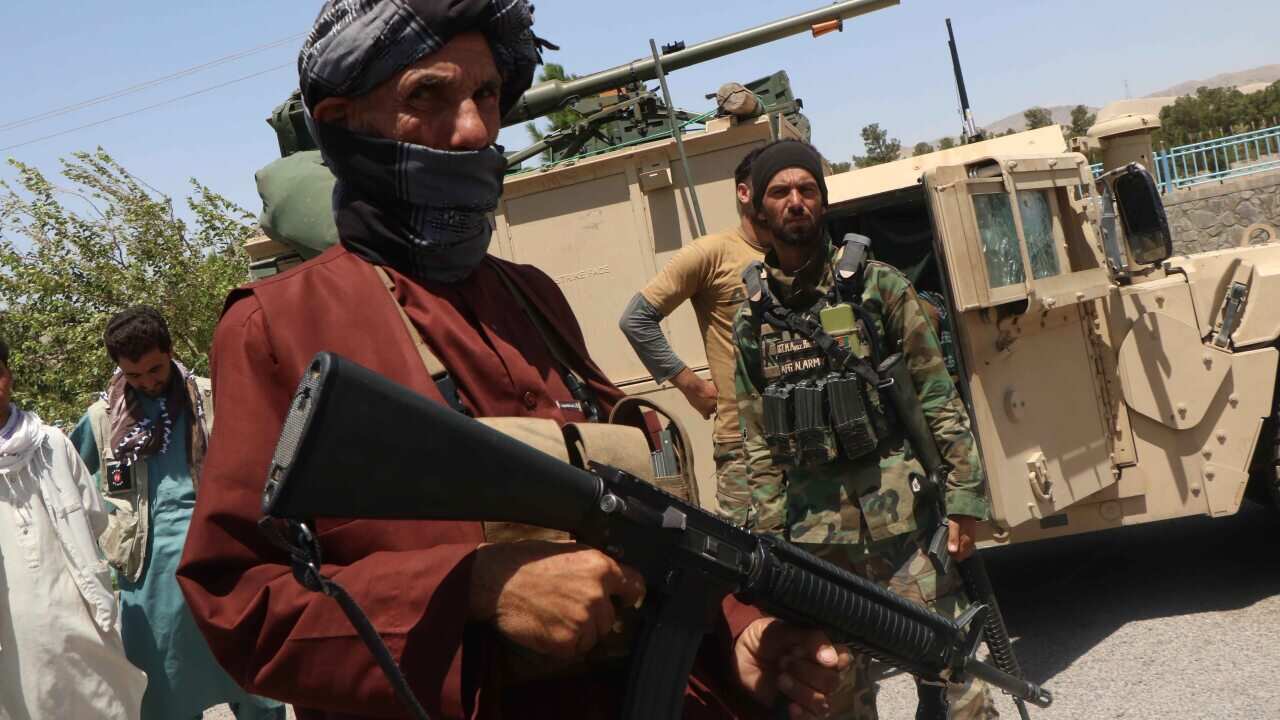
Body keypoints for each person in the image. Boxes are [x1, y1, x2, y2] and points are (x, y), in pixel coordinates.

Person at [176, 2, 849, 719]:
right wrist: (474, 588)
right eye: (428, 95)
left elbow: (650, 527)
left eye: (487, 94)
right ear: (345, 122)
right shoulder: (277, 327)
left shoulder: (534, 299)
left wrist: (734, 636)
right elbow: (240, 602)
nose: (472, 128)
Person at [731, 139, 999, 719]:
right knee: (834, 699)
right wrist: (772, 540)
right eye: (780, 192)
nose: (795, 201)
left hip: (906, 529)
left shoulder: (879, 286)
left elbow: (936, 395)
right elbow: (756, 438)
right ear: (759, 210)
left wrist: (965, 499)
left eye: (807, 190)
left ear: (824, 202)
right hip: (817, 544)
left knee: (960, 688)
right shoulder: (751, 316)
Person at [70, 307, 283, 720]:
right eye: (134, 375)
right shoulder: (102, 418)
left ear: (169, 352)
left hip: (223, 560)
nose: (148, 382)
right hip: (149, 573)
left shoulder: (212, 397)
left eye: (155, 369)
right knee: (164, 690)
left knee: (251, 678)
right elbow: (67, 478)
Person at [619, 146, 775, 527]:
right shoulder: (712, 254)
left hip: (809, 436)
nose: (788, 197)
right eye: (774, 186)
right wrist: (691, 385)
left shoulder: (802, 255)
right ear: (744, 193)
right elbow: (636, 319)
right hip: (745, 445)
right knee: (753, 552)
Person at [0, 337, 147, 720]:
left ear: (9, 376)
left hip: (76, 605)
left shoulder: (51, 443)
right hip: (11, 624)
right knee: (27, 699)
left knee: (101, 698)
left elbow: (93, 517)